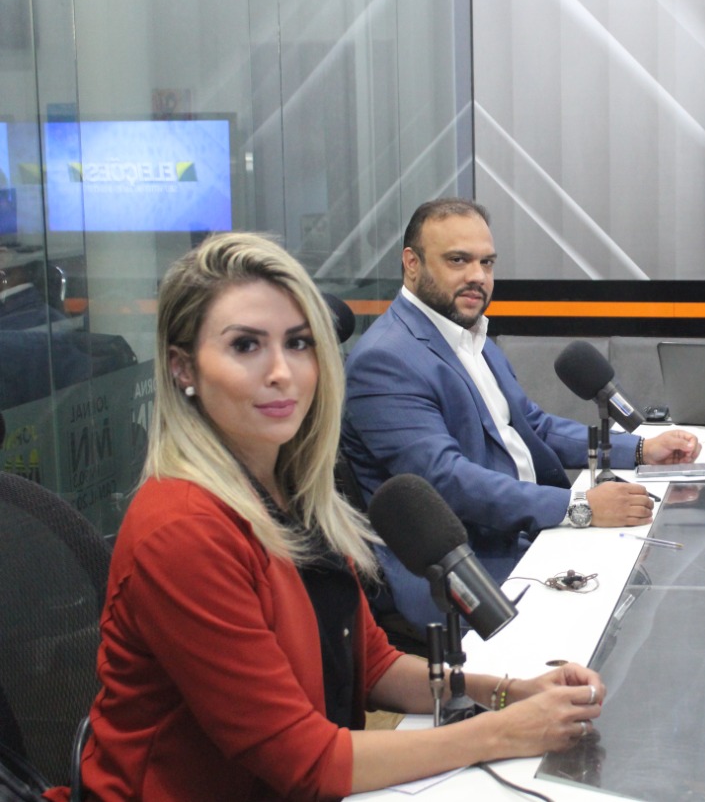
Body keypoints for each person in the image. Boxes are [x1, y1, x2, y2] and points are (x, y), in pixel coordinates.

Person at [45, 233, 607, 802]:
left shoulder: (291, 491)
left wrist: (507, 693)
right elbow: (305, 761)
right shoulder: (183, 529)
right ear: (182, 369)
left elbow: (372, 664)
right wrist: (502, 732)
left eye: (298, 343)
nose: (282, 372)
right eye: (245, 345)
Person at [342, 198, 700, 631]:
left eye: (487, 263)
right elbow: (446, 481)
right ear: (412, 263)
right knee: (629, 622)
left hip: (526, 534)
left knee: (657, 580)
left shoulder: (471, 337)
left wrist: (641, 449)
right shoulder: (385, 359)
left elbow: (535, 428)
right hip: (469, 569)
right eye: (458, 260)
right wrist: (579, 507)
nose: (478, 276)